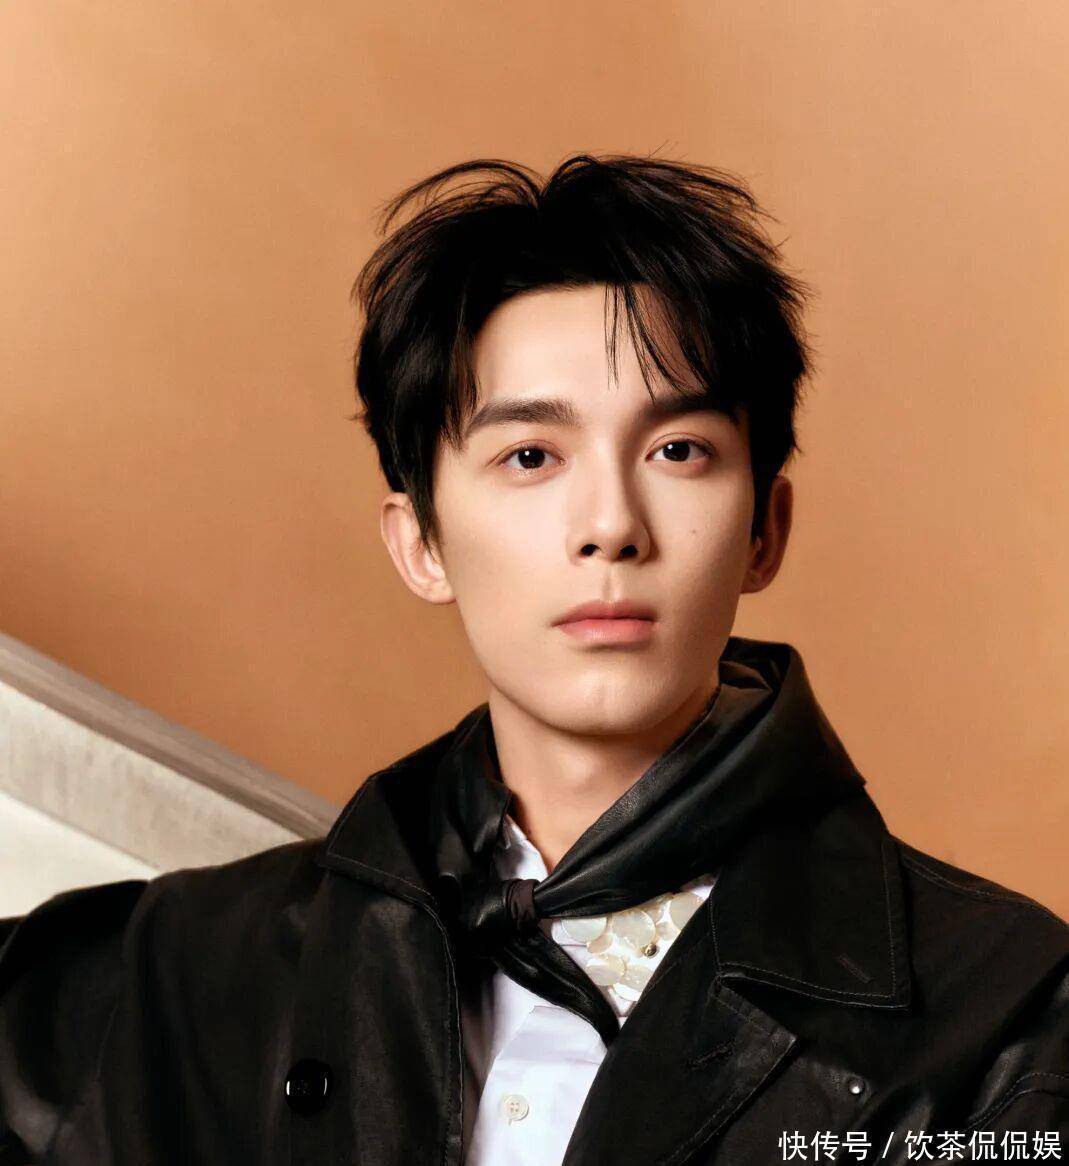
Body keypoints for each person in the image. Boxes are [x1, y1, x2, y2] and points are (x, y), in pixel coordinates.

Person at [1, 154, 1067, 1166]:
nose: (610, 525)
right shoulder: (179, 968)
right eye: (529, 456)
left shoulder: (1005, 1013)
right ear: (420, 543)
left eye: (678, 450)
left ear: (763, 530)